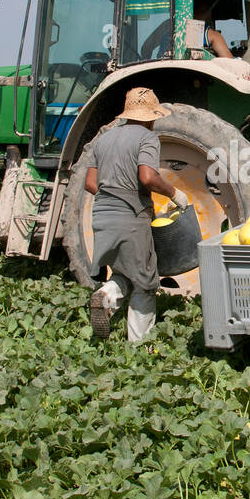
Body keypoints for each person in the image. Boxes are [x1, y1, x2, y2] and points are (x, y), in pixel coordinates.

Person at [86, 87, 190, 342]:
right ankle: (139, 347)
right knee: (145, 281)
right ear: (151, 116)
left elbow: (90, 183)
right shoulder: (147, 138)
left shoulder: (103, 139)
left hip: (102, 218)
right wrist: (174, 193)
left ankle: (107, 295)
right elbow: (147, 177)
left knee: (124, 271)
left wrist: (114, 189)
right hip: (130, 217)